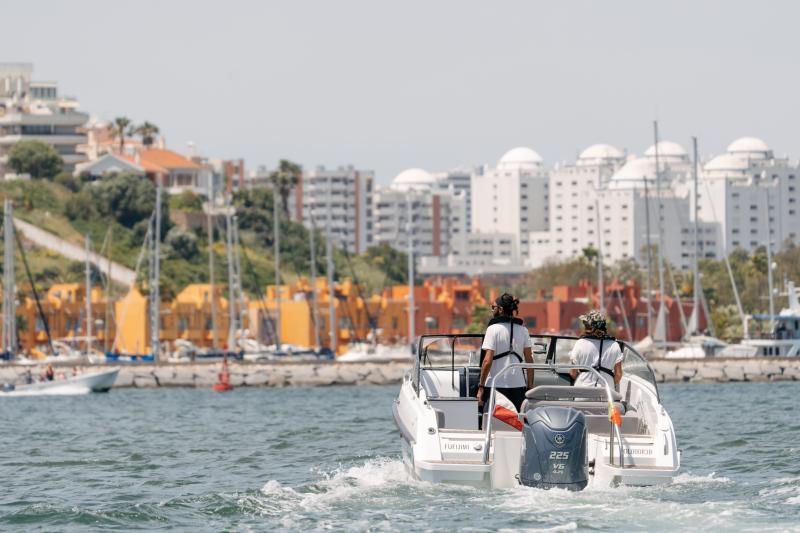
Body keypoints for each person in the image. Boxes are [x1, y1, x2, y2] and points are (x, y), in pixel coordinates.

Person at [476, 293, 533, 412]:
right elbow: (529, 361)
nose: (492, 310)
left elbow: (487, 361)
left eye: (493, 307)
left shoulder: (493, 329)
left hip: (495, 384)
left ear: (500, 309)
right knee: (517, 423)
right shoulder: (523, 330)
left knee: (491, 422)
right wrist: (530, 387)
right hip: (518, 385)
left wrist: (480, 387)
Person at [569, 310, 623, 391]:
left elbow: (573, 373)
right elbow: (618, 375)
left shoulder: (580, 343)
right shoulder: (614, 345)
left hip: (582, 393)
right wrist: (611, 384)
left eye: (586, 324)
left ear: (590, 328)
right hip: (606, 394)